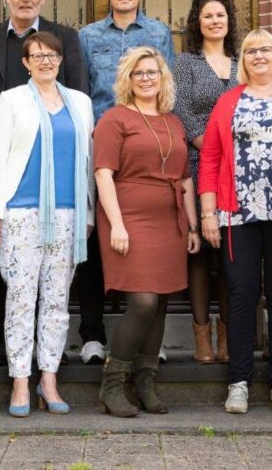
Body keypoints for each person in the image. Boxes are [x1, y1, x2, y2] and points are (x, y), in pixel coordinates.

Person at [0, 0, 89, 367]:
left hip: (59, 173)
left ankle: (49, 362)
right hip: (7, 166)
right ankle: (6, 350)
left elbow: (77, 94)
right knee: (14, 281)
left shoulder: (65, 39)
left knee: (56, 289)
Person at [0, 32, 95, 416]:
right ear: (26, 63)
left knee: (57, 300)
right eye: (37, 56)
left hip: (68, 214)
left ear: (61, 60)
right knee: (20, 298)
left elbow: (88, 161)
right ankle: (20, 381)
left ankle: (48, 379)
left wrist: (88, 213)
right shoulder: (12, 99)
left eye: (52, 55)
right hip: (20, 213)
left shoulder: (80, 103)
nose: (46, 61)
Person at [199, 29, 272, 415]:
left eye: (265, 50)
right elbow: (210, 158)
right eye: (251, 51)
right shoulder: (230, 100)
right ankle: (239, 382)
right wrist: (208, 213)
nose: (259, 56)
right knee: (241, 293)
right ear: (243, 59)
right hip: (237, 213)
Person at [77, 0, 175, 365]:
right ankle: (92, 334)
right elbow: (80, 89)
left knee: (147, 239)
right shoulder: (88, 36)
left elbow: (166, 86)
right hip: (101, 143)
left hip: (143, 148)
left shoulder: (158, 34)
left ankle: (149, 338)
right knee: (95, 235)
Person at [93, 47, 200, 417]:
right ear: (127, 79)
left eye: (152, 72)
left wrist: (192, 226)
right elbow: (103, 174)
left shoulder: (174, 122)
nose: (146, 78)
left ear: (163, 77)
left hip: (169, 221)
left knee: (162, 302)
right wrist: (117, 224)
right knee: (143, 302)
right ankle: (112, 384)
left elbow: (185, 178)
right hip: (129, 218)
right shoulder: (115, 119)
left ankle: (145, 382)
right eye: (138, 73)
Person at [172, 0, 240, 365]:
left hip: (239, 170)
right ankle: (202, 337)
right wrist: (208, 144)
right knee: (199, 252)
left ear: (229, 21)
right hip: (198, 163)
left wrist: (231, 153)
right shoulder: (185, 63)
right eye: (208, 16)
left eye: (220, 15)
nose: (215, 21)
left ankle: (229, 334)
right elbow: (179, 107)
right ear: (197, 23)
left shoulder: (243, 63)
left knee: (231, 252)